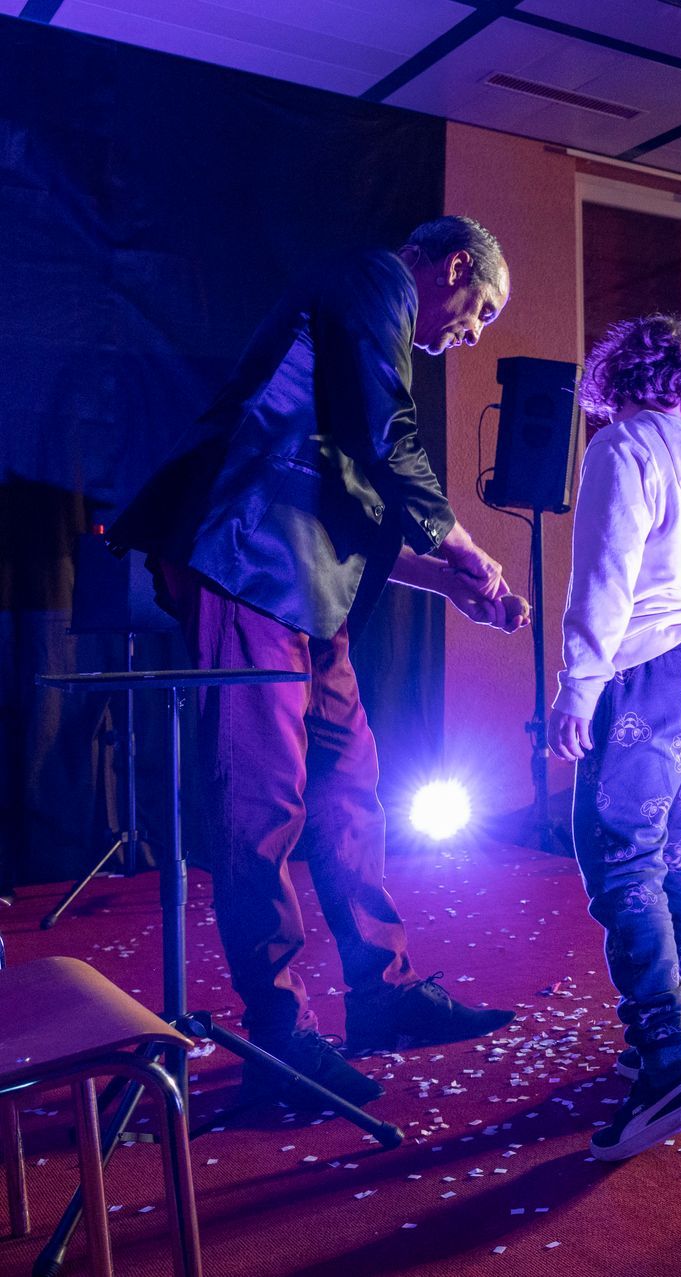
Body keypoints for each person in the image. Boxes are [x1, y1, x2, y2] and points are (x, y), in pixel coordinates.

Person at [108, 216, 526, 1105]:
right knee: (263, 805)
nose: (471, 333)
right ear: (454, 267)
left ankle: (382, 996)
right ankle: (281, 1037)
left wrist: (445, 584)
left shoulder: (361, 331)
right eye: (480, 309)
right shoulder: (375, 281)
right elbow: (389, 438)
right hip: (248, 566)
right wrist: (464, 547)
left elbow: (348, 493)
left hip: (309, 590)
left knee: (351, 789)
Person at [546, 314, 681, 1161]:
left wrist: (575, 688)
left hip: (644, 667)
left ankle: (665, 1064)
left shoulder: (624, 444)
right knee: (680, 854)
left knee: (618, 850)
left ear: (621, 374)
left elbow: (606, 573)